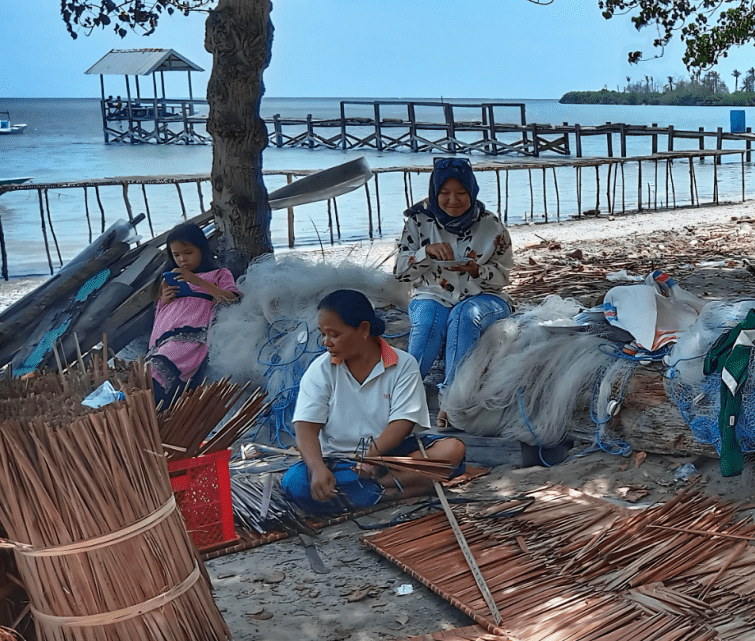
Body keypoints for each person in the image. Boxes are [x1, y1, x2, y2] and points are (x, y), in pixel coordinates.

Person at [282, 290, 466, 513]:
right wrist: (317, 467)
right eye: (323, 334)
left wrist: (369, 457)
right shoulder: (321, 369)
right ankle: (398, 490)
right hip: (341, 460)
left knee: (452, 450)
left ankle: (371, 490)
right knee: (295, 482)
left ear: (363, 329)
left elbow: (403, 421)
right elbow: (306, 427)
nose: (326, 342)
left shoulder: (403, 364)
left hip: (392, 456)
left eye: (334, 334)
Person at [394, 157, 514, 425]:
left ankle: (452, 400)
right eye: (445, 193)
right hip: (432, 294)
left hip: (485, 297)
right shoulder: (418, 222)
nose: (453, 200)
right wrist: (425, 252)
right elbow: (401, 272)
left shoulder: (491, 224)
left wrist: (477, 271)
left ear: (472, 192)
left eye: (461, 193)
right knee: (428, 320)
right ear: (434, 193)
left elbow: (504, 277)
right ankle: (403, 393)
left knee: (463, 316)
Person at [149, 223, 239, 404]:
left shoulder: (219, 274)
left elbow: (233, 299)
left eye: (188, 253)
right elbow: (160, 315)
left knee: (162, 369)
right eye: (176, 255)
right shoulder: (169, 278)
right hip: (164, 336)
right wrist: (164, 300)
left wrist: (197, 281)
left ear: (202, 249)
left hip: (190, 336)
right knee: (150, 374)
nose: (182, 260)